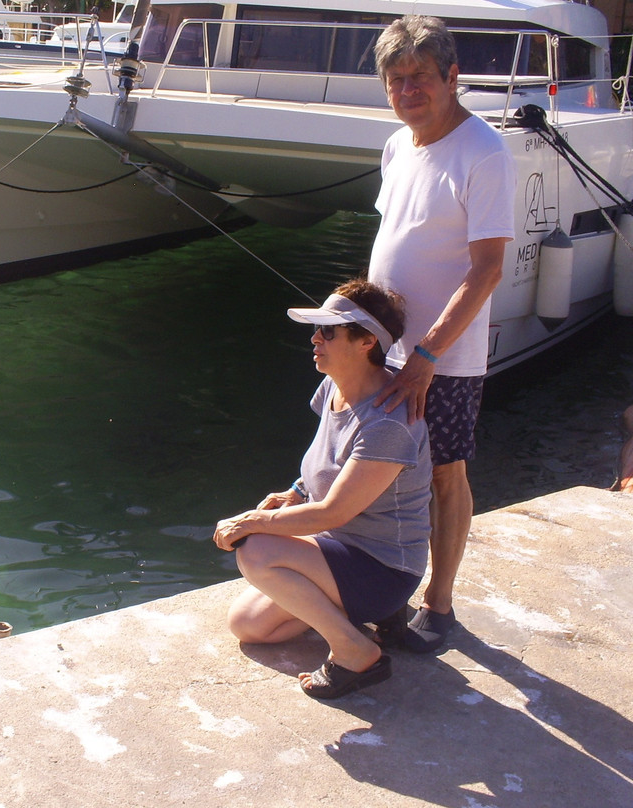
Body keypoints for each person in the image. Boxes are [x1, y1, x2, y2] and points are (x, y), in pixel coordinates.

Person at [368, 15, 516, 652]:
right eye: (396, 80)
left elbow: (487, 267)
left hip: (442, 359)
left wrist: (429, 352)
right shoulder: (399, 145)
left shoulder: (484, 152)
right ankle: (390, 594)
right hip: (388, 348)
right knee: (382, 473)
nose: (408, 91)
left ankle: (441, 605)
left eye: (420, 78)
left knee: (444, 475)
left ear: (452, 77)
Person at [212, 279, 432, 700]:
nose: (315, 338)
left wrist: (256, 521)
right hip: (338, 549)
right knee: (250, 626)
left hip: (383, 567)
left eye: (328, 331)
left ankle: (354, 651)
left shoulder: (387, 423)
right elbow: (328, 464)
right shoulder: (335, 386)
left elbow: (333, 513)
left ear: (366, 342)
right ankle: (374, 619)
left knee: (256, 548)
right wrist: (295, 490)